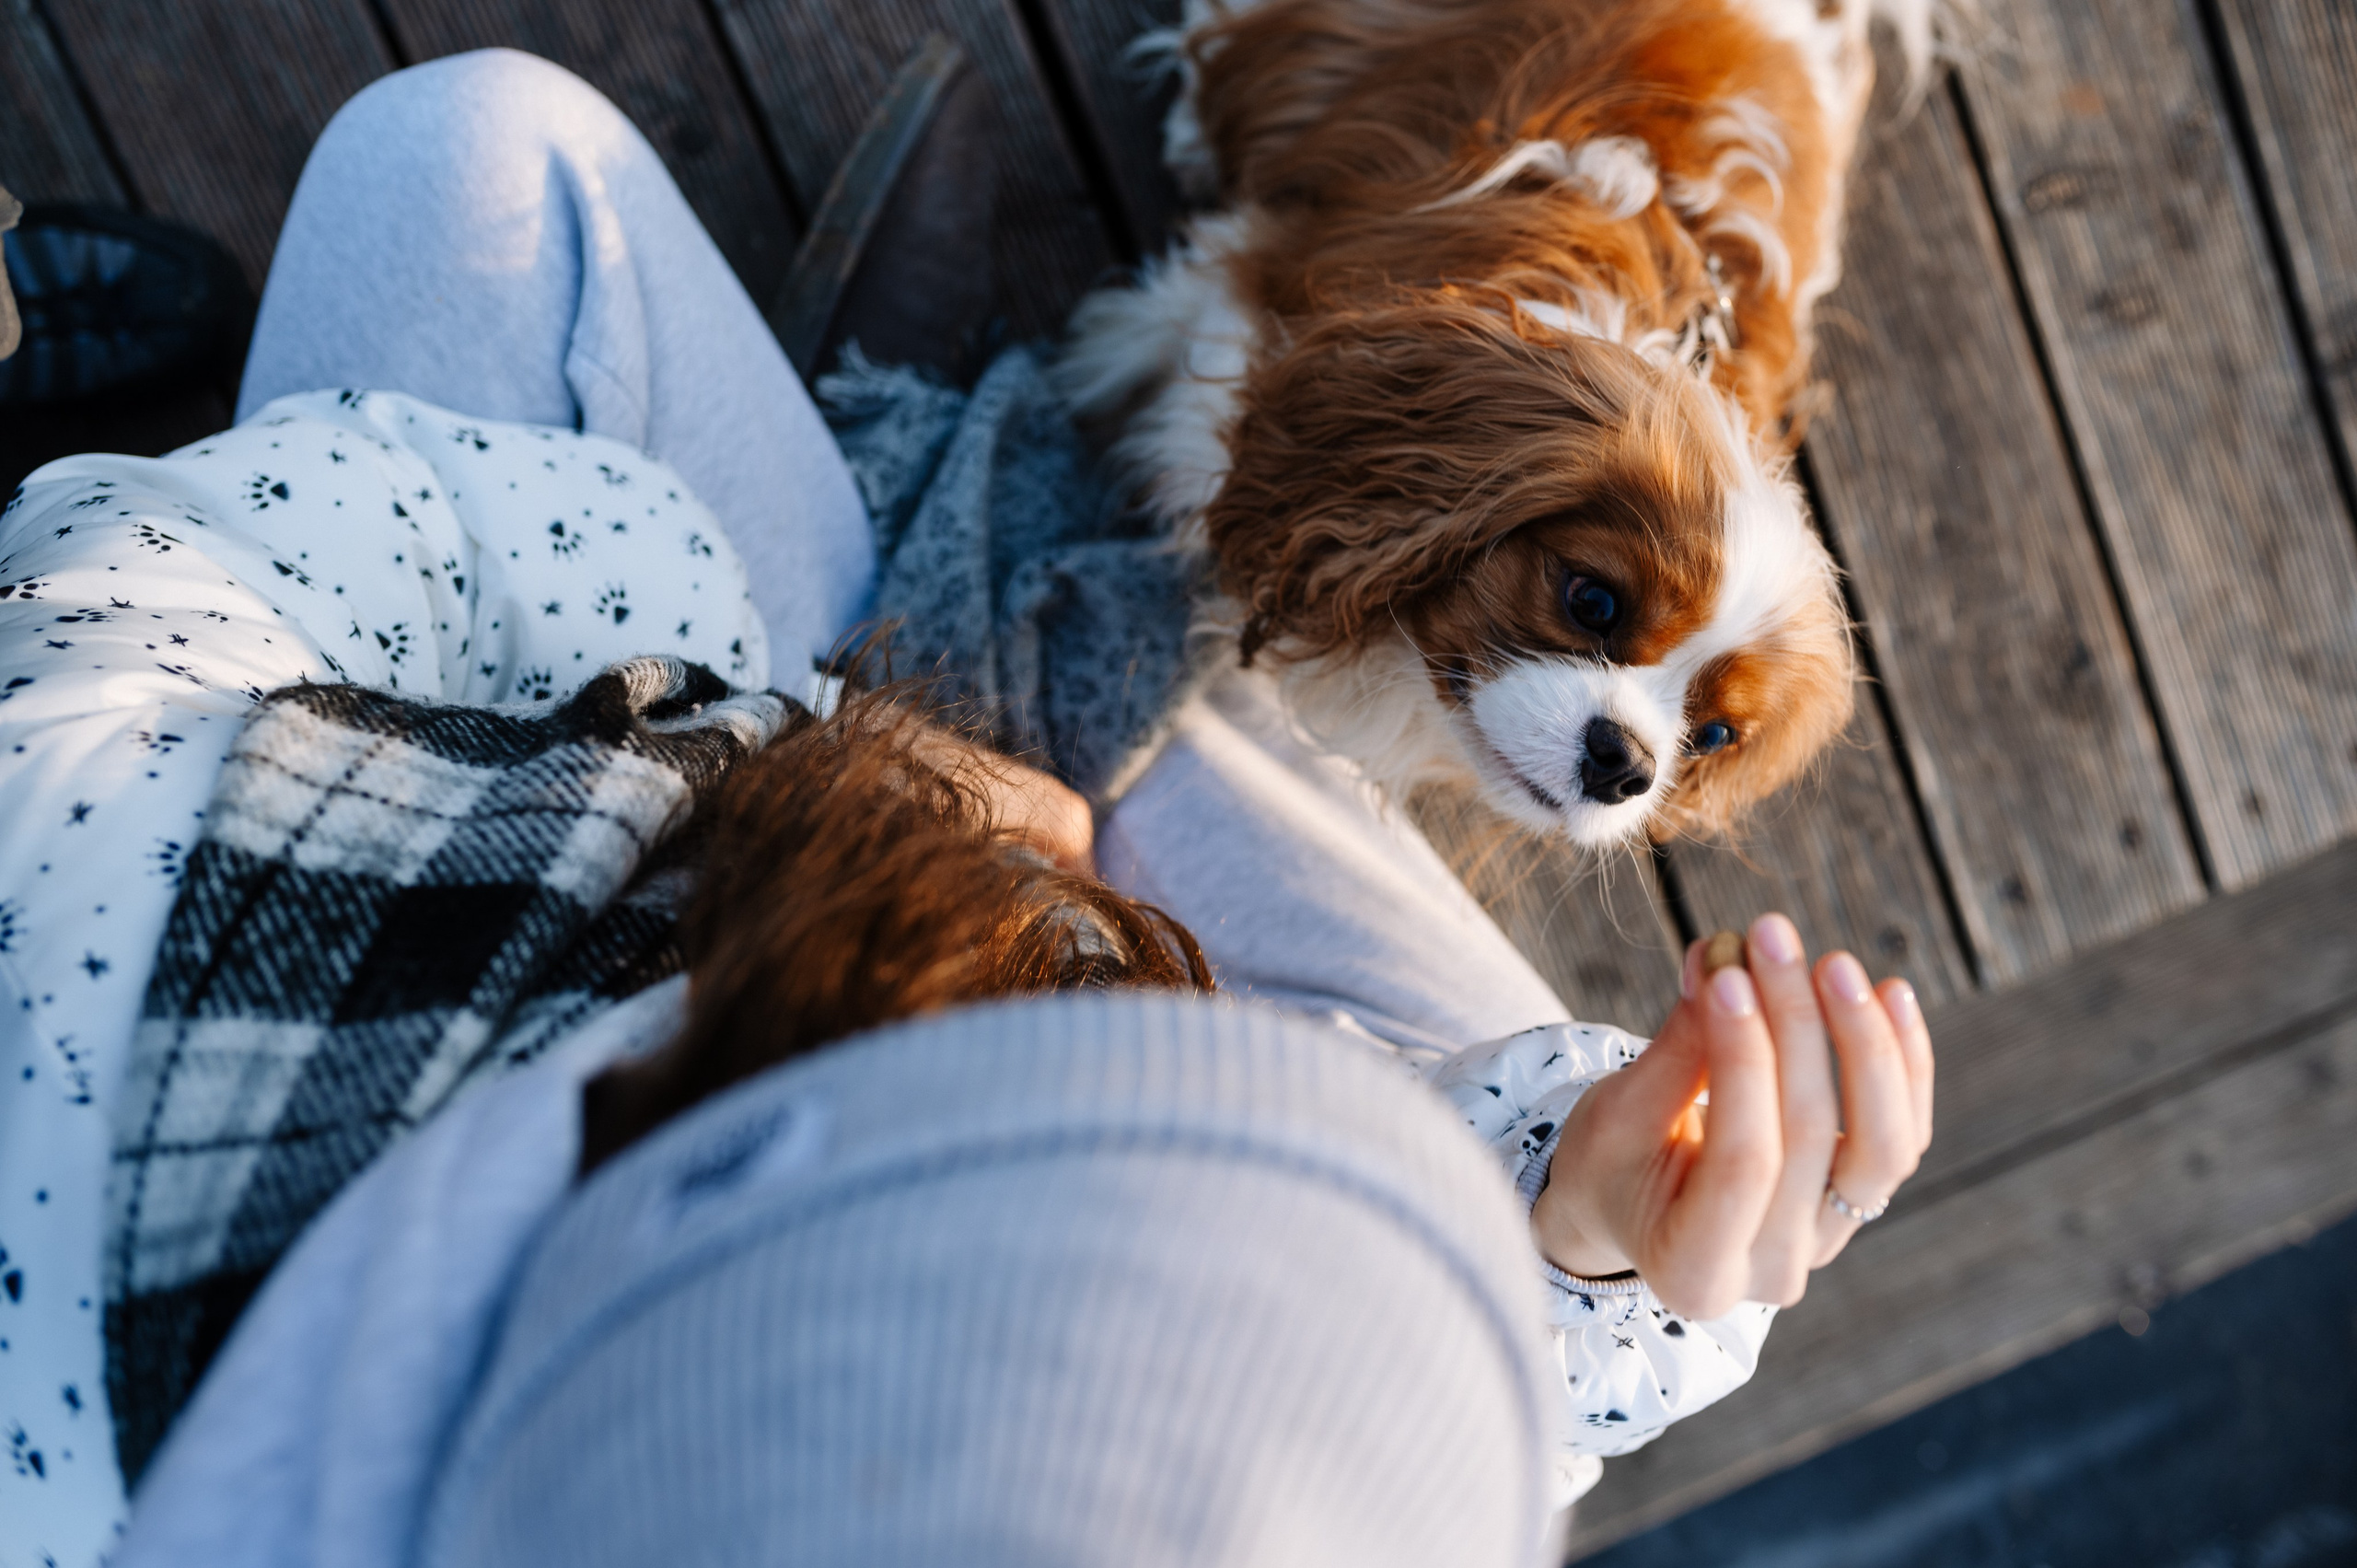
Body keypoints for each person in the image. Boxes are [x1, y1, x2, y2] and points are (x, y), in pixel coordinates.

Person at [0, 50, 1931, 1567]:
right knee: (1490, 1087)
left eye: (1025, 1042)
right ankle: (918, 518)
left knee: (475, 157)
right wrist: (1579, 1258)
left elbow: (183, 599)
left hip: (388, 765)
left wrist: (790, 733)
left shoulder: (139, 885)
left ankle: (894, 514)